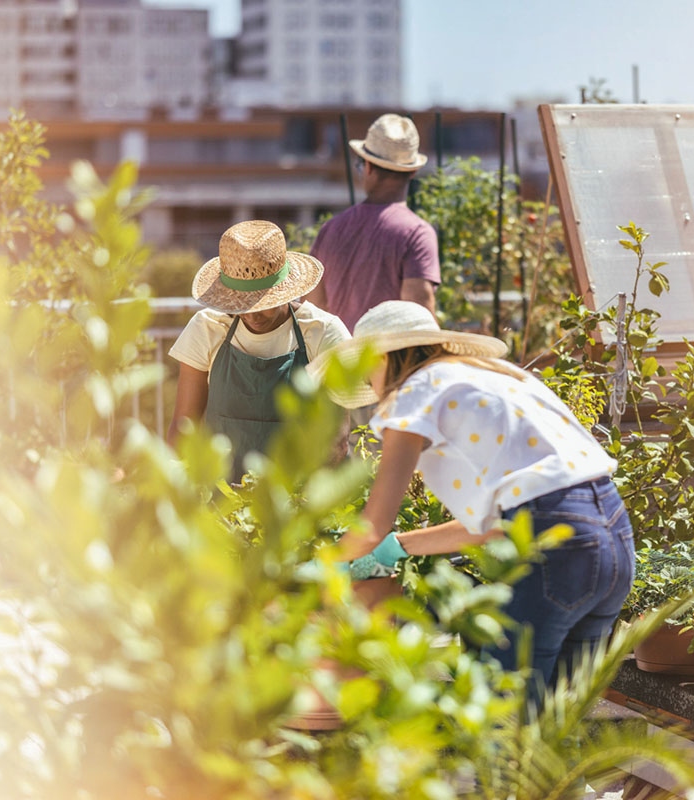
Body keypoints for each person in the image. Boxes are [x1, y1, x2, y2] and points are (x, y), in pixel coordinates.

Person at [313, 300, 634, 697]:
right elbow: (507, 522)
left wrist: (320, 574)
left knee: (504, 716)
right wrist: (398, 547)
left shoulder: (415, 391)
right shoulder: (498, 379)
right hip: (615, 540)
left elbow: (372, 526)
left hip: (558, 551)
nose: (372, 389)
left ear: (383, 357)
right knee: (558, 722)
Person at [167, 220, 351, 477]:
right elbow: (184, 426)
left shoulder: (323, 332)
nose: (251, 315)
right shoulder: (208, 328)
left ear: (285, 291)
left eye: (262, 303)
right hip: (223, 494)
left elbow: (336, 437)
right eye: (241, 304)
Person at [306, 114, 440, 331]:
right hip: (391, 362)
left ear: (368, 167)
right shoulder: (417, 233)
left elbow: (313, 309)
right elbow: (419, 313)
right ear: (413, 171)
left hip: (341, 361)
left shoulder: (330, 230)